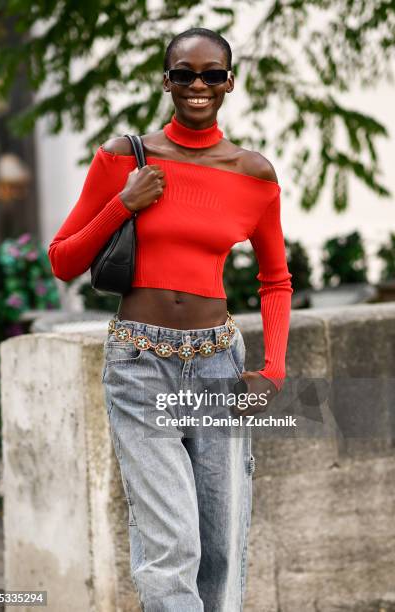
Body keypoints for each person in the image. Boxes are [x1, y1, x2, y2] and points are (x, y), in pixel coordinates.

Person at [48, 27, 293, 612]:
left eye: (212, 74)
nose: (198, 85)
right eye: (184, 74)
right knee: (170, 543)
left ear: (230, 83)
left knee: (220, 542)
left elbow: (275, 280)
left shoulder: (254, 174)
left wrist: (273, 369)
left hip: (217, 364)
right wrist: (122, 204)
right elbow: (63, 260)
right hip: (139, 363)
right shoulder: (123, 158)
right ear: (167, 81)